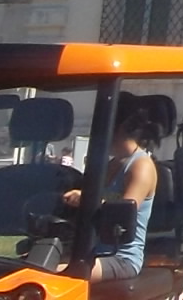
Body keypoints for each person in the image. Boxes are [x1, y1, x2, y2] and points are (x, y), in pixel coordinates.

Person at [61, 103, 159, 282]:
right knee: (30, 266)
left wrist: (87, 199)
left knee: (56, 276)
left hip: (121, 257)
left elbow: (123, 214)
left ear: (118, 127)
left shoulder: (141, 166)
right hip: (92, 250)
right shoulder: (112, 164)